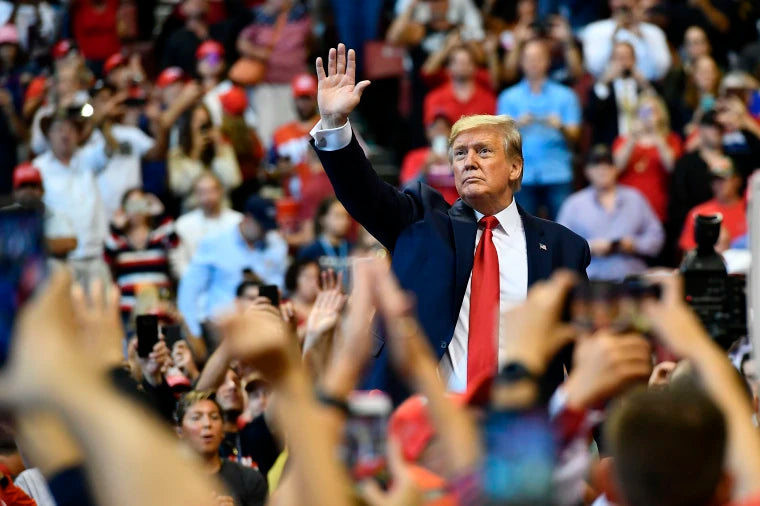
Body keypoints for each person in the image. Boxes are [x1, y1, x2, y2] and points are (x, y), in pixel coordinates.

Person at [310, 44, 588, 397]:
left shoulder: (565, 248)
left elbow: (579, 351)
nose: (468, 161)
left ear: (515, 166)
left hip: (518, 430)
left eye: (483, 151)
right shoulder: (421, 220)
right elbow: (363, 192)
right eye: (459, 153)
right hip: (426, 424)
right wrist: (334, 124)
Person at [178, 195, 288, 336]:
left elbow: (279, 284)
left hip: (263, 326)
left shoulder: (276, 244)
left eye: (268, 227)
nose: (265, 232)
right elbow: (190, 288)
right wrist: (194, 333)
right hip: (222, 326)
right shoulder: (215, 243)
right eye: (262, 226)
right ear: (247, 219)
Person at [496, 37, 580, 219]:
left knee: (563, 229)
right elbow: (498, 139)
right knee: (522, 231)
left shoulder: (566, 95)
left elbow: (575, 136)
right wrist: (515, 125)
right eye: (528, 58)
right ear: (521, 62)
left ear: (548, 61)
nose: (533, 63)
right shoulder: (508, 97)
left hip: (557, 170)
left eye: (538, 58)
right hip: (521, 174)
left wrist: (562, 127)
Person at [557, 145, 664, 281]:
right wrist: (589, 247)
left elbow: (657, 237)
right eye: (596, 165)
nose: (602, 170)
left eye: (607, 165)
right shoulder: (574, 204)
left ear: (615, 169)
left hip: (633, 280)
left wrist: (635, 244)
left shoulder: (635, 198)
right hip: (590, 283)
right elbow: (561, 247)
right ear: (587, 171)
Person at [33, 110, 110, 283]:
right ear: (49, 135)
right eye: (59, 129)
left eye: (70, 129)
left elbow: (111, 150)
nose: (65, 134)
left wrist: (103, 124)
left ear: (78, 135)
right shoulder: (38, 167)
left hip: (95, 254)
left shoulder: (88, 159)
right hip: (60, 260)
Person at [236, 0, 312, 145]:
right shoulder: (258, 15)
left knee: (297, 135)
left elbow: (310, 42)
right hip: (267, 86)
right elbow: (241, 43)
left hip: (295, 85)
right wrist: (261, 53)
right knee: (268, 134)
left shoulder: (301, 14)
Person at [174, 391, 268, 505]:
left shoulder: (249, 479)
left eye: (214, 417)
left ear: (223, 430)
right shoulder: (163, 479)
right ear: (179, 431)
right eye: (196, 418)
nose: (207, 424)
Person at [104, 189, 179, 321]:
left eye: (140, 204)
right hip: (129, 310)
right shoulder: (118, 239)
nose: (137, 211)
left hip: (160, 309)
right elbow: (106, 257)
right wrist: (116, 228)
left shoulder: (159, 235)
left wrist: (161, 213)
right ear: (124, 208)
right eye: (132, 205)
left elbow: (175, 242)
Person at [612, 94, 682, 221]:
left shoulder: (671, 139)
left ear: (661, 114)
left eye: (652, 111)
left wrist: (657, 134)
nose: (648, 116)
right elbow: (616, 168)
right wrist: (633, 137)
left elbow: (671, 167)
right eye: (643, 111)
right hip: (626, 206)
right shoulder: (623, 139)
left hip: (657, 204)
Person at [168, 103, 242, 210]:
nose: (202, 129)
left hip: (221, 210)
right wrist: (194, 155)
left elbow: (233, 182)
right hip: (192, 211)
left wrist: (218, 151)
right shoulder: (176, 154)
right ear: (187, 125)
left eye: (205, 124)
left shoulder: (223, 150)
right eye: (197, 123)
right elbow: (179, 189)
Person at [580, 0, 671, 82]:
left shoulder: (653, 32)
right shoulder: (595, 30)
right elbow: (594, 68)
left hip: (645, 90)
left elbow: (662, 70)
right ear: (610, 2)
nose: (623, 2)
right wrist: (614, 34)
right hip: (609, 92)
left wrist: (643, 37)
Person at [173, 172, 243, 277]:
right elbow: (179, 261)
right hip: (195, 282)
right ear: (195, 195)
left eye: (212, 191)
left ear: (221, 191)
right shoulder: (183, 224)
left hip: (232, 282)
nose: (208, 197)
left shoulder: (237, 221)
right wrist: (192, 281)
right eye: (202, 192)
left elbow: (244, 256)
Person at [586, 41, 652, 146]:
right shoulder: (603, 88)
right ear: (611, 60)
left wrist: (644, 85)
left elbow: (653, 112)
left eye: (627, 57)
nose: (623, 62)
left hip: (640, 142)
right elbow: (592, 117)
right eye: (618, 57)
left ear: (634, 60)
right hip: (611, 143)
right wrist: (604, 82)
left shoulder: (643, 87)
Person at [10, 162, 77, 258]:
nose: (28, 190)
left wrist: (29, 244)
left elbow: (71, 242)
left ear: (42, 190)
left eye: (33, 185)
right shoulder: (5, 218)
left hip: (50, 268)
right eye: (23, 186)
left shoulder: (56, 216)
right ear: (14, 192)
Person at [679, 156, 746, 252]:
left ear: (737, 180)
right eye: (714, 179)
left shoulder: (751, 209)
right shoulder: (698, 214)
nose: (718, 184)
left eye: (723, 178)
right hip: (712, 265)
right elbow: (688, 255)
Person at [270, 73, 321, 198]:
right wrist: (280, 170)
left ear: (315, 98)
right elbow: (269, 168)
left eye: (307, 98)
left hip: (324, 199)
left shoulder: (330, 126)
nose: (303, 103)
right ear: (294, 99)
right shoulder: (280, 133)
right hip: (293, 199)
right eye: (300, 98)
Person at [423, 44, 496, 129]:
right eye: (457, 62)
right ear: (448, 67)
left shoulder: (488, 99)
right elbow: (431, 130)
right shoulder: (435, 97)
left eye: (467, 62)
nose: (462, 66)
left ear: (475, 67)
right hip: (446, 141)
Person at [399, 112, 459, 204]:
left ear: (451, 133)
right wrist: (424, 169)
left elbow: (470, 187)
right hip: (425, 208)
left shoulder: (459, 156)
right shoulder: (414, 156)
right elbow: (406, 188)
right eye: (435, 128)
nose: (439, 131)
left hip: (455, 208)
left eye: (444, 128)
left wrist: (452, 165)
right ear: (427, 132)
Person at [297, 198, 352, 271]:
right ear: (322, 219)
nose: (344, 221)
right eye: (337, 215)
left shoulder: (354, 249)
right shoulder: (310, 252)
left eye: (346, 216)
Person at [283, 258, 320, 328]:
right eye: (309, 277)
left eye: (317, 278)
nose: (314, 283)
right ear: (295, 278)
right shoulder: (283, 308)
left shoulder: (324, 307)